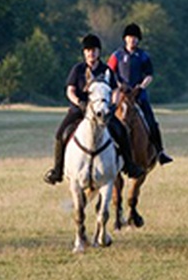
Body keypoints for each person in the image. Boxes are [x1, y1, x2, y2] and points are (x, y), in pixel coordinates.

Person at [43, 33, 146, 185]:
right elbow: (70, 90)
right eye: (88, 50)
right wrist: (79, 102)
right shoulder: (77, 69)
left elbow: (116, 90)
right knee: (60, 134)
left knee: (122, 131)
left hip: (103, 112)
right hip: (79, 110)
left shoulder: (106, 70)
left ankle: (130, 166)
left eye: (94, 50)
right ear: (84, 53)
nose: (91, 53)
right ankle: (57, 171)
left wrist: (113, 105)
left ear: (99, 52)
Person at [107, 23, 173, 166]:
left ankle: (160, 151)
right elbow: (109, 73)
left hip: (138, 95)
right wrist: (118, 85)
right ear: (125, 38)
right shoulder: (116, 55)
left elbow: (149, 75)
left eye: (135, 38)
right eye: (130, 37)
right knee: (108, 117)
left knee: (151, 121)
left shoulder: (143, 56)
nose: (133, 40)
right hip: (121, 94)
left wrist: (141, 86)